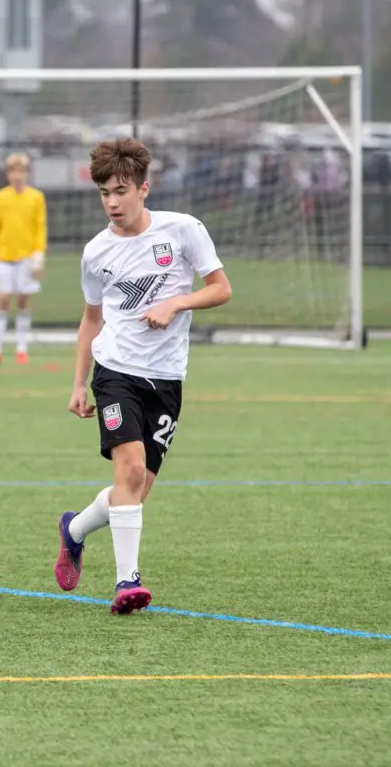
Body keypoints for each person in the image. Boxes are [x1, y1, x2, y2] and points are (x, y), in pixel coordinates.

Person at [55, 138, 232, 615]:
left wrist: (176, 302)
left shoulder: (183, 231)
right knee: (129, 472)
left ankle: (73, 530)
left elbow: (220, 289)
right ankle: (126, 583)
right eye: (104, 193)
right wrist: (78, 381)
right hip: (115, 372)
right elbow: (91, 320)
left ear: (143, 189)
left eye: (120, 191)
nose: (112, 202)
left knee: (134, 491)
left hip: (168, 378)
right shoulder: (96, 253)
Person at [0, 153, 47, 364]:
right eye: (13, 171)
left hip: (27, 257)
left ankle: (21, 348)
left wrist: (38, 256)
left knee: (23, 300)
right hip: (5, 257)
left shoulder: (36, 197)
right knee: (3, 298)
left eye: (21, 171)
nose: (17, 175)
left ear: (27, 173)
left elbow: (40, 228)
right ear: (8, 174)